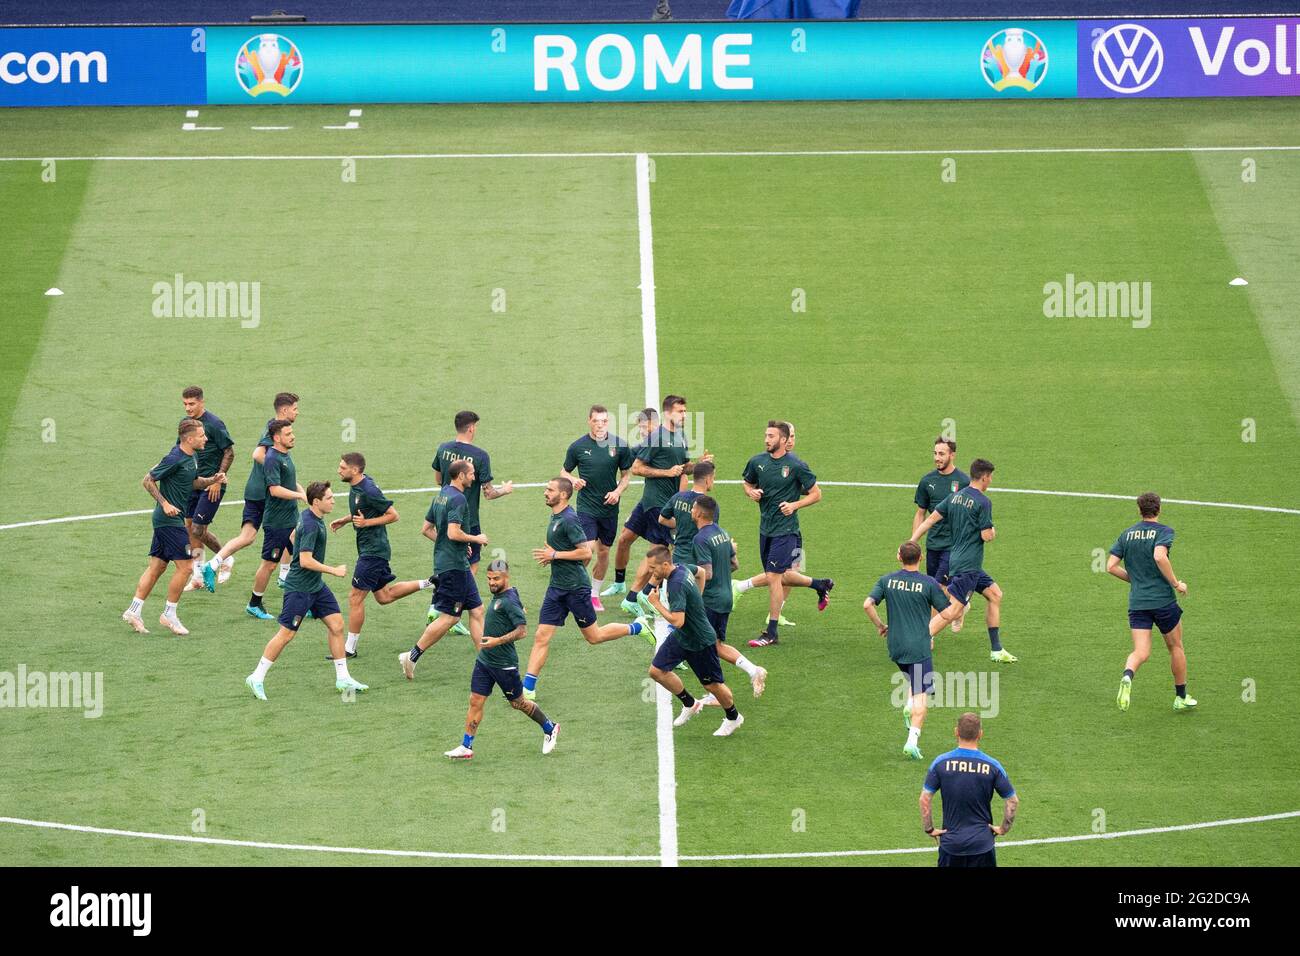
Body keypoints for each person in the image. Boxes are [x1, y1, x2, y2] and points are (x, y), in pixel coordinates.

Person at [521, 477, 650, 700]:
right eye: (545, 488)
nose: (545, 492)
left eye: (549, 490)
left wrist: (555, 555)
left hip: (576, 589)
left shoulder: (570, 519)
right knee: (541, 636)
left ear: (563, 495)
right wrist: (553, 557)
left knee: (594, 636)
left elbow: (586, 552)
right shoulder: (555, 516)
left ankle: (637, 627)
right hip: (556, 588)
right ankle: (528, 688)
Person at [244, 481, 367, 699]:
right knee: (286, 635)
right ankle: (256, 677)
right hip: (300, 588)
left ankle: (343, 678)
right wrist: (334, 570)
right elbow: (305, 561)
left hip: (316, 586)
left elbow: (292, 537)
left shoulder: (309, 516)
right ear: (316, 502)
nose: (333, 500)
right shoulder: (311, 525)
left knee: (337, 625)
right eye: (329, 498)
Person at [444, 560, 561, 759]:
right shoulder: (505, 593)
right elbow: (514, 592)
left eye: (496, 579)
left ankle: (550, 728)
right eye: (489, 579)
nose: (491, 583)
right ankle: (466, 746)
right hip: (485, 661)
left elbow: (522, 631)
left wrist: (497, 640)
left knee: (518, 703)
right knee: (475, 700)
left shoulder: (508, 601)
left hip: (504, 664)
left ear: (506, 577)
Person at [329, 452, 435, 658]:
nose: (338, 470)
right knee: (384, 596)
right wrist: (346, 519)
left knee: (355, 597)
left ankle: (349, 648)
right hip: (371, 549)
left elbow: (393, 515)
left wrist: (366, 523)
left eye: (342, 467)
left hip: (373, 552)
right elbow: (364, 512)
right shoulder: (358, 486)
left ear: (355, 470)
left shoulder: (368, 490)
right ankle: (430, 582)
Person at [910, 458, 1017, 663]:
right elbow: (987, 535)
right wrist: (992, 531)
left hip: (959, 561)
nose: (991, 481)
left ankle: (996, 649)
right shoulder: (983, 502)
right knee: (954, 610)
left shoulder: (955, 497)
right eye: (990, 477)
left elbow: (930, 520)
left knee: (995, 594)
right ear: (984, 477)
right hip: (967, 566)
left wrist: (912, 541)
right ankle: (921, 638)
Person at [614, 395, 713, 615]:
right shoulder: (656, 437)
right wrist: (666, 473)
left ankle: (636, 596)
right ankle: (635, 597)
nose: (684, 415)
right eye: (680, 411)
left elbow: (684, 467)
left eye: (686, 412)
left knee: (655, 550)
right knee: (659, 553)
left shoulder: (681, 437)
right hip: (657, 504)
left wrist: (699, 464)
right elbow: (637, 468)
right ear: (668, 413)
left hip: (659, 502)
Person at [122, 418, 223, 635]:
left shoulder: (192, 456)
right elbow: (147, 480)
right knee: (186, 567)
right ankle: (169, 614)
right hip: (168, 520)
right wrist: (165, 503)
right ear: (189, 438)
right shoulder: (174, 457)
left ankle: (134, 610)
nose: (205, 438)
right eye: (202, 435)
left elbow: (193, 482)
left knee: (157, 567)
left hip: (170, 521)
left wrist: (212, 479)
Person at [739, 420, 832, 647]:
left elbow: (816, 494)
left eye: (771, 436)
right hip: (766, 529)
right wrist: (752, 493)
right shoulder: (757, 462)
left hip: (787, 531)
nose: (766, 439)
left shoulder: (796, 465)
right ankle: (821, 584)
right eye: (765, 435)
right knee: (782, 576)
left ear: (783, 439)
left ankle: (771, 632)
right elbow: (746, 482)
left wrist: (794, 506)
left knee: (773, 577)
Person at [399, 460, 488, 679]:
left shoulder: (441, 495)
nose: (474, 478)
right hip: (453, 567)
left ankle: (487, 662)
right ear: (460, 476)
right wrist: (475, 538)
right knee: (450, 618)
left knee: (477, 610)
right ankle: (412, 656)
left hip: (456, 563)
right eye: (472, 474)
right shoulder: (458, 499)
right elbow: (452, 533)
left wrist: (456, 545)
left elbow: (426, 529)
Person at [201, 392, 298, 591]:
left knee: (248, 536)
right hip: (265, 493)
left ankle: (212, 564)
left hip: (256, 491)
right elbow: (258, 454)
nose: (297, 412)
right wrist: (278, 469)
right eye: (295, 409)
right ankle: (284, 574)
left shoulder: (276, 427)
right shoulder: (274, 431)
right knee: (292, 527)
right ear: (285, 410)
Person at [1108, 492, 1196, 712]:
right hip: (1163, 601)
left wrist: (1135, 579)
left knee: (1141, 652)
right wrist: (1176, 584)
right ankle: (1180, 697)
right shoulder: (1164, 531)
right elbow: (1159, 556)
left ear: (1139, 510)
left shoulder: (1126, 534)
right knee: (1175, 646)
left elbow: (1110, 566)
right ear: (1159, 509)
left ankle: (1128, 675)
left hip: (1138, 602)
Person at [643, 546, 744, 737]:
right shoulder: (682, 567)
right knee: (657, 671)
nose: (651, 571)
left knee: (712, 686)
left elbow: (678, 621)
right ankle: (690, 703)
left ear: (665, 564)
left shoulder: (676, 585)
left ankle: (734, 717)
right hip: (683, 637)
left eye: (653, 567)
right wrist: (698, 596)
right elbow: (702, 572)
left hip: (699, 641)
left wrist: (656, 604)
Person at [864, 541, 950, 759]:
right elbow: (948, 614)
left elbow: (867, 604)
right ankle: (912, 741)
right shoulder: (929, 583)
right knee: (923, 695)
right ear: (921, 558)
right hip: (918, 648)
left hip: (896, 646)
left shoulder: (887, 580)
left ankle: (908, 704)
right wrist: (930, 632)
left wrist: (881, 626)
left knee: (915, 680)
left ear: (898, 556)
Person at [431, 410, 513, 634]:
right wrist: (505, 490)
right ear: (471, 428)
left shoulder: (443, 448)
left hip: (443, 512)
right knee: (469, 564)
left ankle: (438, 603)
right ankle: (453, 611)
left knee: (449, 556)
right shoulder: (480, 455)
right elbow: (488, 493)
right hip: (468, 520)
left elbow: (439, 479)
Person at [688, 496, 767, 699]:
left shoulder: (700, 539)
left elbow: (707, 573)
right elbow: (735, 565)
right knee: (716, 645)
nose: (691, 511)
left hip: (711, 601)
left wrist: (691, 589)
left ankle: (717, 692)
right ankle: (753, 671)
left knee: (703, 646)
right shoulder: (723, 534)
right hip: (725, 597)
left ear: (699, 513)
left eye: (693, 508)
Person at [919, 713, 1018, 868]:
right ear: (980, 734)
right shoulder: (992, 765)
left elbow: (925, 799)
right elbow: (1012, 801)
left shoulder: (940, 763)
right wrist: (1003, 828)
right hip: (982, 845)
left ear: (956, 732)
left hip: (951, 845)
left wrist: (929, 828)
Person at [561, 404, 635, 612]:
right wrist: (573, 479)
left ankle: (593, 595)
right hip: (586, 507)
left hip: (609, 508)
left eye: (604, 421)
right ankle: (571, 589)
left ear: (608, 422)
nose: (600, 425)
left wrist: (618, 492)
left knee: (603, 553)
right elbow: (564, 471)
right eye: (596, 421)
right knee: (587, 551)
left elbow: (627, 475)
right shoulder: (577, 447)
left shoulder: (619, 445)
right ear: (589, 421)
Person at [248, 419, 306, 620]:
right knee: (270, 564)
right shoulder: (272, 458)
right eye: (288, 434)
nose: (293, 436)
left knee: (301, 559)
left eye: (292, 432)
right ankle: (254, 604)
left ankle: (304, 602)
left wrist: (301, 490)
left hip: (291, 518)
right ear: (277, 438)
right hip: (277, 522)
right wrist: (299, 496)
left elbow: (288, 481)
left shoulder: (285, 455)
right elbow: (274, 489)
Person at [179, 386, 234, 591]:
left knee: (198, 529)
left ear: (202, 402)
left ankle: (225, 558)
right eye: (185, 404)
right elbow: (181, 449)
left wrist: (218, 480)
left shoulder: (214, 424)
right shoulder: (185, 425)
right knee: (190, 528)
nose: (187, 408)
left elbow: (229, 452)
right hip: (192, 483)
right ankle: (198, 575)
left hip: (211, 485)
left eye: (191, 403)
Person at [600, 407, 657, 602]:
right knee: (625, 538)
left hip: (663, 505)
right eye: (640, 426)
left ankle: (647, 592)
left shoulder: (666, 443)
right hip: (647, 502)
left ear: (655, 424)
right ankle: (619, 583)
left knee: (657, 550)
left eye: (644, 426)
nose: (641, 430)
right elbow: (624, 454)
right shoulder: (645, 445)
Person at [912, 437, 970, 613]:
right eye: (935, 453)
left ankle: (929, 633)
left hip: (953, 546)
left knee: (937, 587)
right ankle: (960, 606)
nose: (937, 458)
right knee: (936, 587)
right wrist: (915, 545)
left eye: (942, 454)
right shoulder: (927, 481)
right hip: (933, 544)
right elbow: (920, 513)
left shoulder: (963, 481)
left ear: (952, 455)